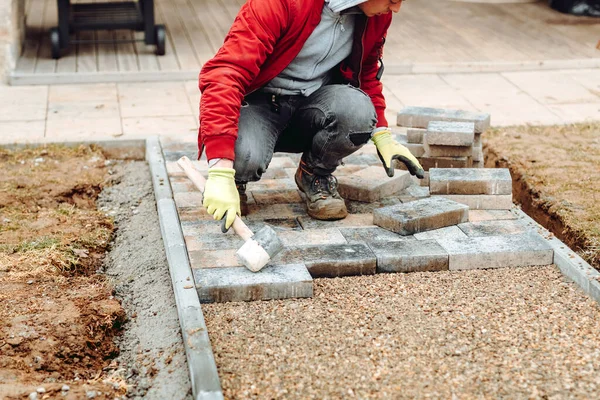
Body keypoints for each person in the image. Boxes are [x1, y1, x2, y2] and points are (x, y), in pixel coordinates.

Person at [198, 0, 425, 230]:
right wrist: (220, 171)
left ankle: (314, 174)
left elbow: (366, 72)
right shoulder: (280, 4)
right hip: (260, 105)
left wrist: (383, 134)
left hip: (312, 107)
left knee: (358, 110)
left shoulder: (376, 15)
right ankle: (234, 180)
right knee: (241, 156)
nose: (396, 8)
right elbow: (225, 74)